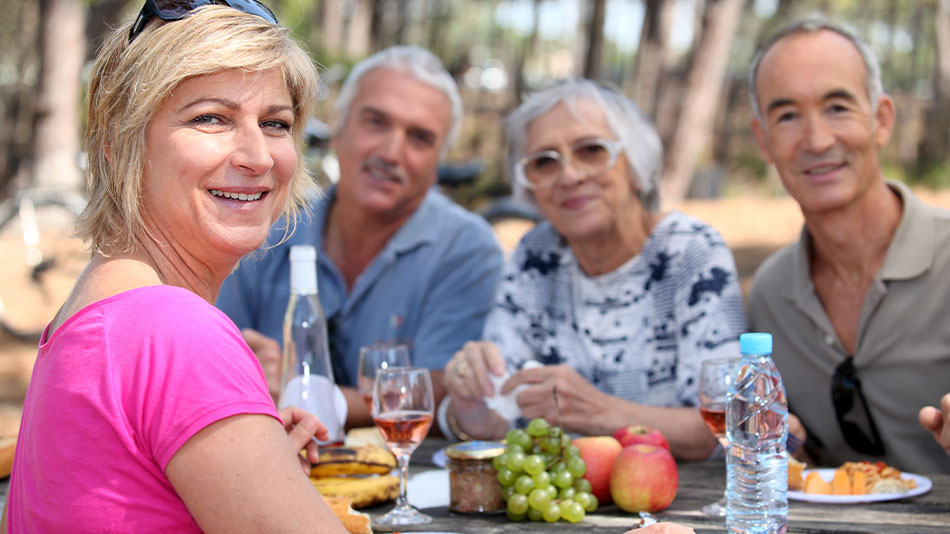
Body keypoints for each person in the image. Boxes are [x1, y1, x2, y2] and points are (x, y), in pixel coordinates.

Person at [1, 4, 349, 532]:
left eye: (275, 123)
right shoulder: (175, 331)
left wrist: (257, 454)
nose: (257, 155)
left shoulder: (94, 305)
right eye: (211, 118)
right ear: (121, 148)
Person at [440, 79, 748, 461]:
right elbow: (501, 414)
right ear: (531, 187)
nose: (568, 176)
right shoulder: (535, 256)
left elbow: (730, 421)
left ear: (636, 165)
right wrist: (473, 409)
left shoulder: (690, 252)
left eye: (590, 151)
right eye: (544, 162)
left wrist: (598, 412)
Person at [216, 45, 503, 428]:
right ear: (338, 130)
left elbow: (446, 390)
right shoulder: (269, 221)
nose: (391, 152)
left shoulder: (466, 249)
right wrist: (241, 368)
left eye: (419, 138)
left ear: (438, 164)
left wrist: (299, 395)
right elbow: (211, 357)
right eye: (376, 122)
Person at [747, 19, 950, 474]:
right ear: (763, 140)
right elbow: (802, 452)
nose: (817, 140)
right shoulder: (772, 293)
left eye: (837, 107)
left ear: (881, 120)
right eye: (787, 116)